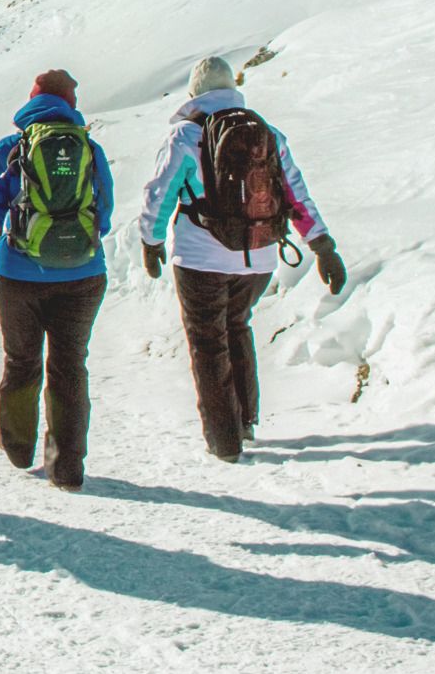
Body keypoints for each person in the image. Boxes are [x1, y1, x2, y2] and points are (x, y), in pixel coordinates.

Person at [136, 56, 350, 462]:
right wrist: (322, 246)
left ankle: (224, 440)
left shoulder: (186, 135)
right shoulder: (266, 134)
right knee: (238, 326)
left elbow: (160, 194)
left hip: (201, 257)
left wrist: (151, 241)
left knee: (207, 343)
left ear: (194, 92)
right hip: (259, 256)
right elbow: (295, 194)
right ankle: (246, 421)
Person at [0, 69, 114, 490]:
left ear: (33, 100)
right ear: (70, 104)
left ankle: (17, 447)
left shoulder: (10, 149)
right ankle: (67, 468)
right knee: (70, 366)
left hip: (19, 276)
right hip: (84, 276)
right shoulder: (90, 150)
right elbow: (106, 216)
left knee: (21, 362)